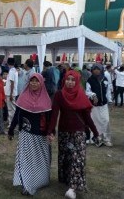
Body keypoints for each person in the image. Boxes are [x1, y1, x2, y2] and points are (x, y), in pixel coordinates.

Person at [48, 71, 95, 199]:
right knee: (66, 157)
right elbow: (54, 114)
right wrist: (51, 131)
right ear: (64, 80)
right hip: (64, 132)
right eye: (68, 79)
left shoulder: (81, 94)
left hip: (78, 132)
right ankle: (67, 180)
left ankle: (72, 188)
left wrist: (95, 131)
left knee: (77, 158)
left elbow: (87, 117)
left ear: (77, 81)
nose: (70, 82)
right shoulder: (59, 95)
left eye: (73, 80)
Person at [9, 73, 52, 196]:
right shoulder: (23, 97)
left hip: (40, 135)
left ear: (41, 83)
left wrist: (50, 132)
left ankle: (40, 180)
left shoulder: (46, 99)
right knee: (26, 160)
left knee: (39, 160)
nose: (34, 83)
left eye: (36, 81)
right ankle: (27, 185)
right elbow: (17, 115)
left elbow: (49, 119)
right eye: (32, 81)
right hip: (26, 134)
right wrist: (11, 129)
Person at [86, 64, 112, 146]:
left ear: (101, 70)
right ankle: (97, 138)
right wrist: (93, 95)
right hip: (94, 105)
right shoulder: (90, 80)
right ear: (92, 70)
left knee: (106, 121)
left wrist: (110, 100)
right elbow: (87, 91)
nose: (96, 71)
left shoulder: (105, 79)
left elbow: (108, 91)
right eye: (95, 69)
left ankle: (106, 139)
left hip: (104, 104)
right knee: (95, 122)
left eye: (98, 69)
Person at [4, 58, 18, 126]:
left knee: (11, 109)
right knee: (12, 109)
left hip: (10, 93)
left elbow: (12, 83)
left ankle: (11, 123)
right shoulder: (14, 70)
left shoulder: (12, 71)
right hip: (11, 93)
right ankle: (12, 122)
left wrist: (11, 94)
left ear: (8, 63)